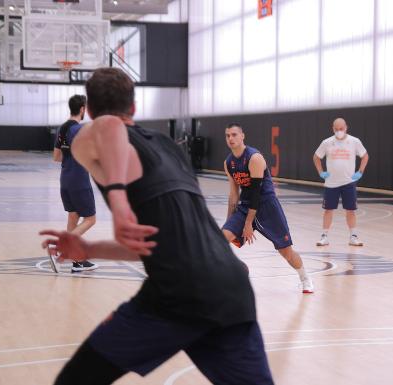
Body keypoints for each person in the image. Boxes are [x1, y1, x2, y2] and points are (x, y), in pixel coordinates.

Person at [40, 68, 274, 385]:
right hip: (230, 287)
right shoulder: (170, 147)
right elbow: (159, 242)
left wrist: (119, 205)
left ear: (90, 112)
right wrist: (90, 249)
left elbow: (109, 126)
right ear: (134, 108)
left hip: (177, 295)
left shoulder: (91, 136)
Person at [221, 123, 314, 294]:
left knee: (286, 252)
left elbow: (256, 194)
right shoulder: (229, 163)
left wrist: (248, 224)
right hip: (245, 205)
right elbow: (233, 194)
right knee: (221, 238)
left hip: (266, 206)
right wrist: (229, 222)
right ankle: (239, 267)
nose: (230, 138)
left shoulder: (254, 158)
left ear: (242, 136)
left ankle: (305, 278)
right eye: (227, 135)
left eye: (234, 135)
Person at [51, 94, 97, 273]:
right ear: (82, 109)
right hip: (79, 180)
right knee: (91, 219)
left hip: (65, 179)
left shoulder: (62, 128)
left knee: (73, 216)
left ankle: (77, 261)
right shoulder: (79, 129)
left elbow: (56, 157)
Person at [312, 118, 369, 246]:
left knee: (351, 210)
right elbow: (316, 157)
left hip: (348, 182)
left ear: (346, 128)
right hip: (331, 183)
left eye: (341, 129)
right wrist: (321, 172)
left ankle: (353, 236)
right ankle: (324, 236)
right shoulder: (327, 142)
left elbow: (365, 156)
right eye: (336, 129)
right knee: (328, 210)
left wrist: (360, 171)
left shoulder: (354, 141)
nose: (339, 131)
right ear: (333, 129)